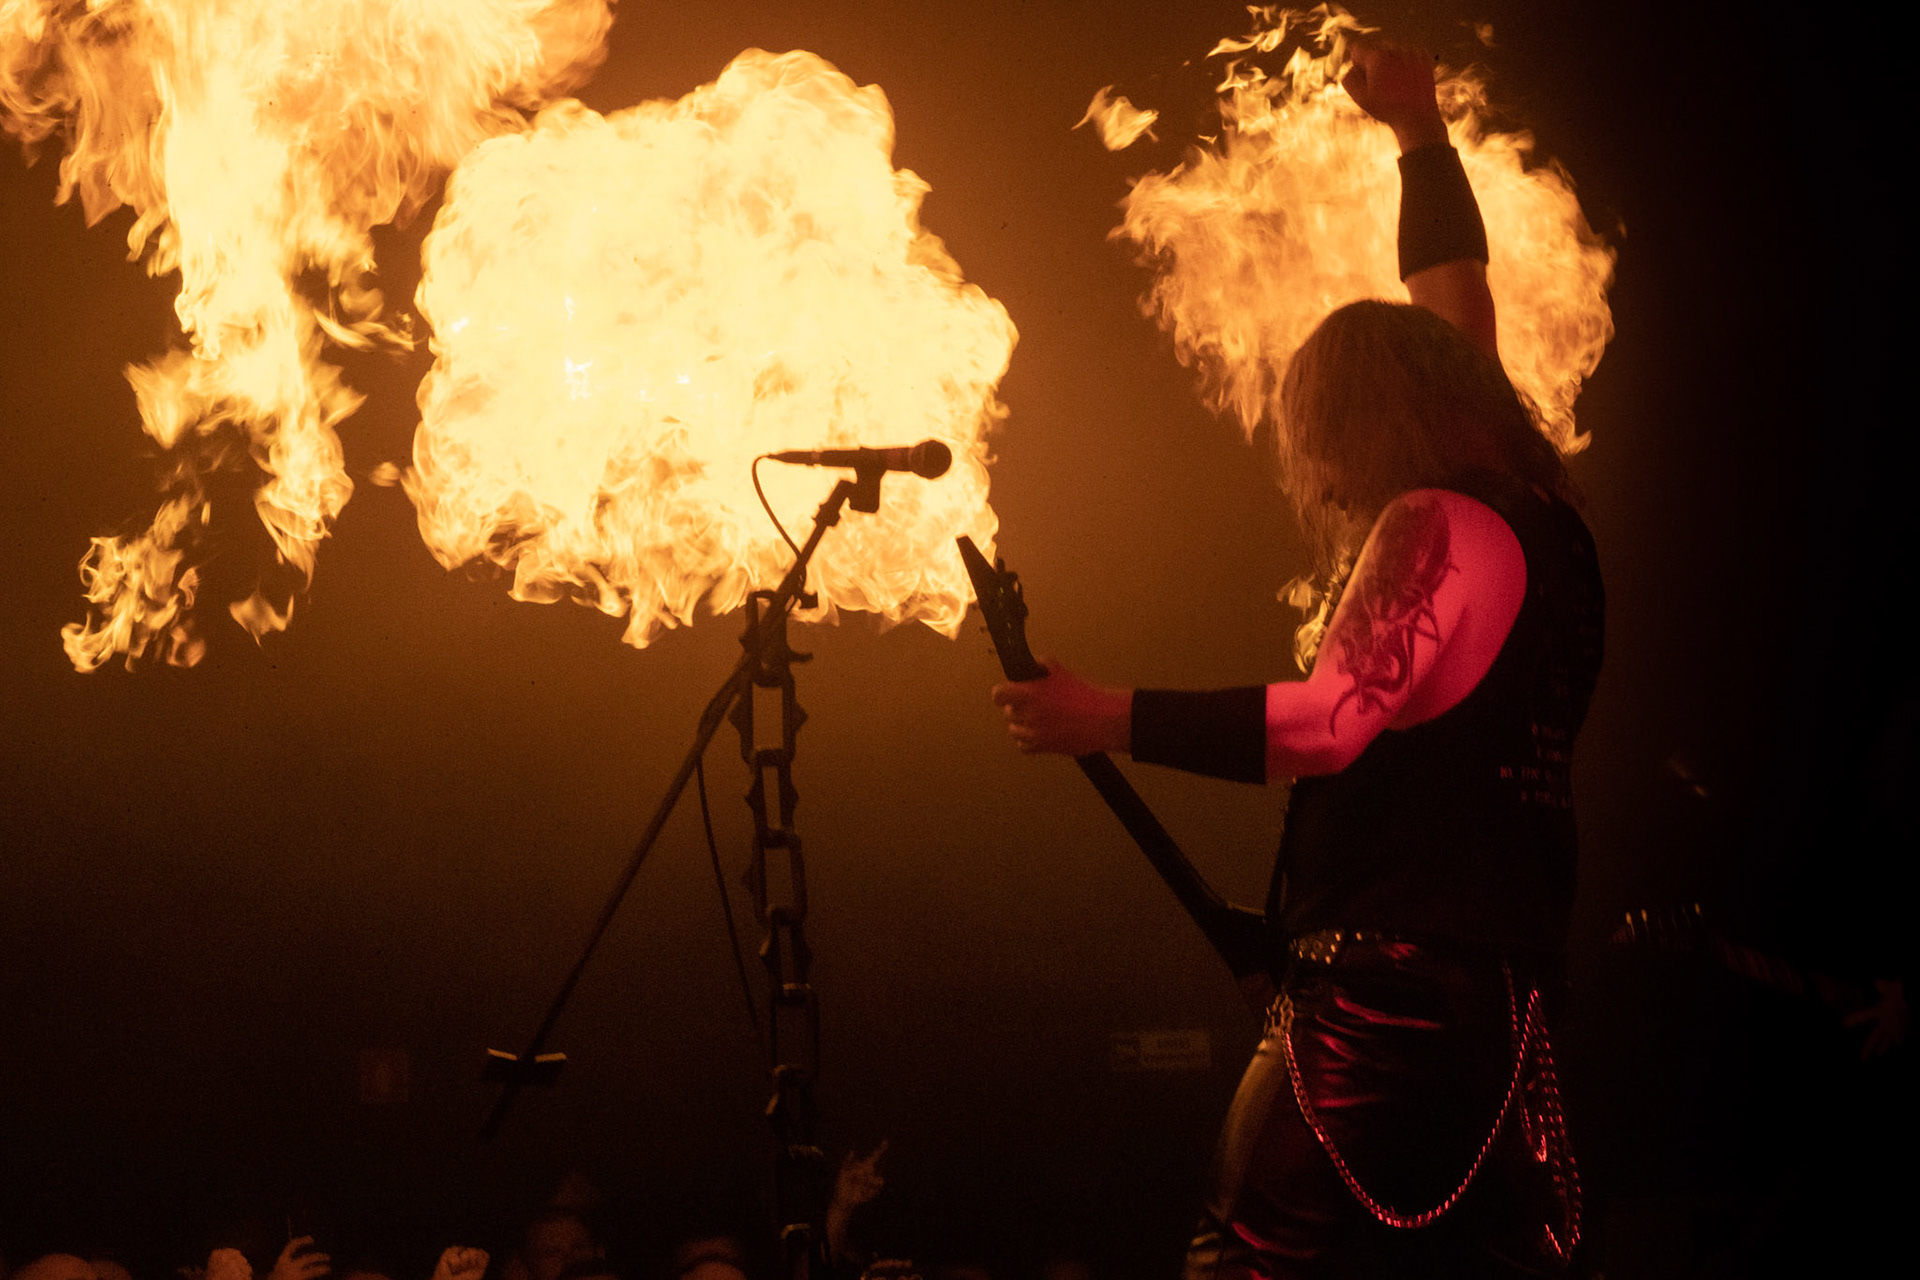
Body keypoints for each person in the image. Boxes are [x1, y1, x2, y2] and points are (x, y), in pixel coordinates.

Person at [992, 39, 1602, 1278]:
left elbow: (1327, 724)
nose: (1320, 480)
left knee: (1245, 1256)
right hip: (1506, 1002)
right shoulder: (1537, 514)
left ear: (1375, 422)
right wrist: (1419, 134)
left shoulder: (1436, 521)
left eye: (1323, 442)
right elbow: (1458, 304)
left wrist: (1102, 714)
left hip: (1385, 997)